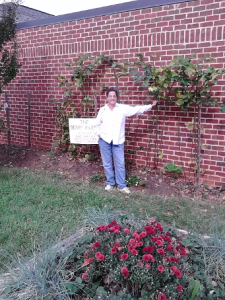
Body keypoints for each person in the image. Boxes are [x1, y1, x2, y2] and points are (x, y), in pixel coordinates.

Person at [94, 87, 158, 194]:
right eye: (110, 96)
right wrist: (99, 134)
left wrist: (150, 106)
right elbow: (96, 124)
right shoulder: (102, 110)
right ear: (107, 98)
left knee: (120, 164)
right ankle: (110, 183)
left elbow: (136, 109)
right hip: (104, 140)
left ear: (117, 97)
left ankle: (121, 186)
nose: (112, 98)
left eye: (114, 96)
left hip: (118, 142)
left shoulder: (122, 109)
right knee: (107, 163)